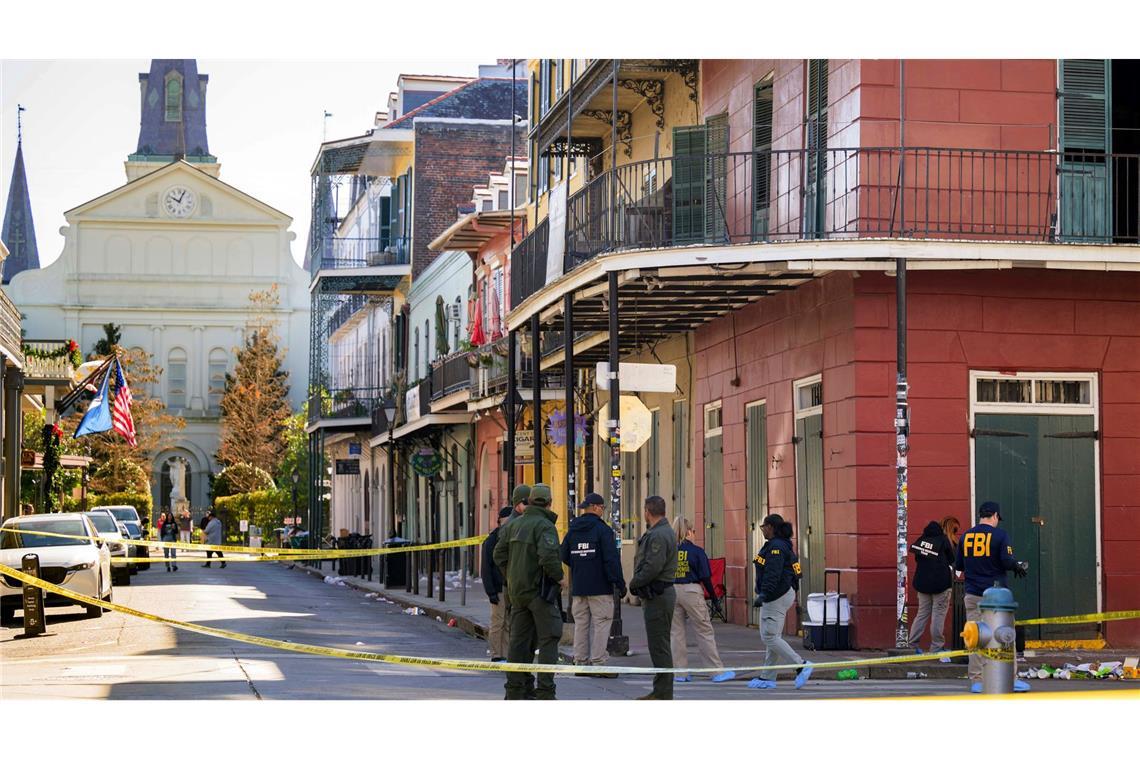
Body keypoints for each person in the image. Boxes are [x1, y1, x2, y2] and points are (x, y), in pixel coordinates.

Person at [493, 483, 564, 700]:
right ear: (549, 502)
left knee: (518, 642)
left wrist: (512, 576)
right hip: (538, 593)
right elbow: (548, 557)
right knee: (549, 637)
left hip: (517, 593)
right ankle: (545, 691)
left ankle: (515, 689)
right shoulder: (544, 526)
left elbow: (498, 554)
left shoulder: (513, 525)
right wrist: (560, 579)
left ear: (530, 501)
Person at [955, 501, 1030, 693]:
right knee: (1005, 636)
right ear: (995, 516)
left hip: (973, 594)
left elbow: (959, 566)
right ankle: (1009, 680)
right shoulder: (1000, 535)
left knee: (976, 637)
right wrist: (1016, 565)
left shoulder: (965, 536)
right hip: (998, 599)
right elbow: (1006, 561)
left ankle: (978, 680)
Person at [560, 492, 625, 675]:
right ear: (596, 507)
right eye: (602, 508)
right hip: (600, 587)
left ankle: (580, 661)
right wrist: (619, 584)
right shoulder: (603, 530)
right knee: (602, 623)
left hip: (579, 587)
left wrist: (579, 565)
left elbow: (563, 553)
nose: (603, 511)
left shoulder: (573, 529)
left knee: (581, 624)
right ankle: (598, 663)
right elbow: (611, 560)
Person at [750, 514, 812, 690]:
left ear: (771, 527)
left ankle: (801, 665)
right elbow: (796, 572)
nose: (762, 530)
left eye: (764, 526)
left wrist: (764, 594)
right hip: (780, 594)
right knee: (773, 637)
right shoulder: (782, 545)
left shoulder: (776, 547)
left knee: (769, 636)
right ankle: (767, 677)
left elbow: (773, 573)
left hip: (775, 596)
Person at [670, 516, 735, 684]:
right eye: (694, 531)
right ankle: (715, 671)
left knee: (676, 633)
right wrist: (714, 598)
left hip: (671, 591)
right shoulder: (697, 551)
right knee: (704, 630)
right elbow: (706, 577)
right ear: (689, 532)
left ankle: (680, 672)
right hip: (691, 590)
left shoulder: (669, 550)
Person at [628, 495, 678, 700]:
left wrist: (635, 582)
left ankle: (663, 693)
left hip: (659, 595)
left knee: (659, 646)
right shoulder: (660, 532)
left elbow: (652, 566)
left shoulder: (658, 534)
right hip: (658, 594)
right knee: (659, 644)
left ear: (647, 512)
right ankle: (660, 690)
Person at [906, 520, 955, 658]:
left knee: (922, 614)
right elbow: (952, 559)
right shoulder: (943, 540)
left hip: (922, 584)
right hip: (941, 585)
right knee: (938, 615)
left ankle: (912, 645)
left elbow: (917, 559)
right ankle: (936, 647)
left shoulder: (921, 541)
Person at [482, 505, 513, 662]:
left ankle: (505, 654)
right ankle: (496, 654)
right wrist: (490, 591)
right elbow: (486, 568)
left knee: (507, 623)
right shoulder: (492, 540)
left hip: (509, 587)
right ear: (500, 520)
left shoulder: (510, 536)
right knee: (497, 623)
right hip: (498, 587)